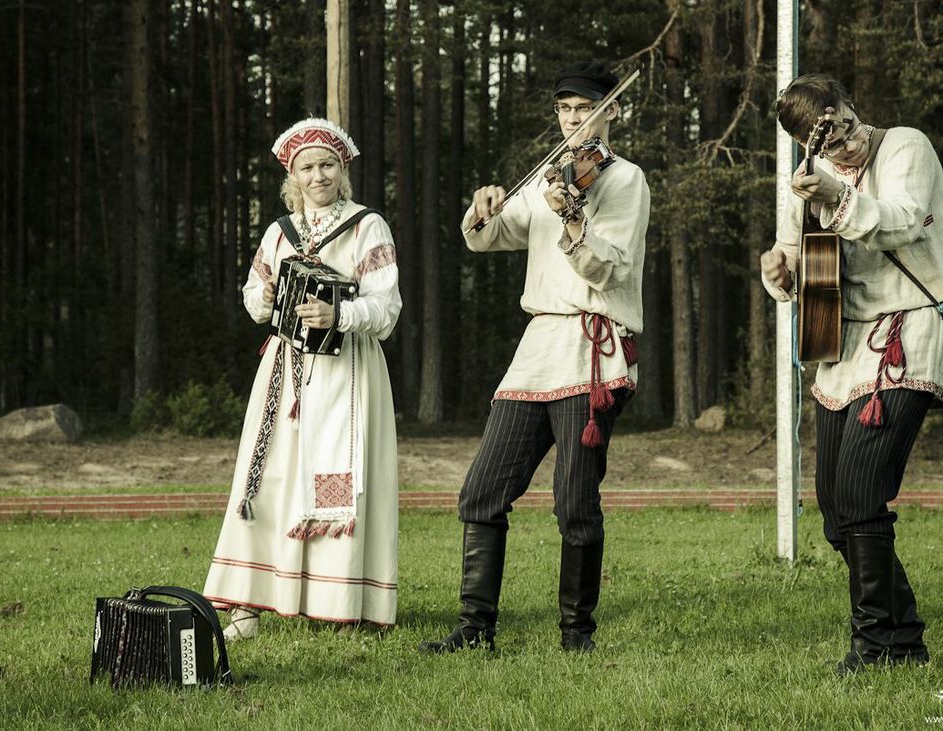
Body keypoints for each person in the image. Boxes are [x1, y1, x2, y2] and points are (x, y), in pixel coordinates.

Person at [420, 60, 649, 654]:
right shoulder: (548, 178)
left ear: (612, 111)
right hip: (538, 347)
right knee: (481, 491)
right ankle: (476, 629)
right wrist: (485, 208)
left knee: (575, 500)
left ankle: (577, 634)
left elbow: (606, 267)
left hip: (592, 349)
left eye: (585, 110)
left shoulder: (625, 181)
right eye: (566, 111)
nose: (574, 121)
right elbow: (492, 235)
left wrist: (573, 216)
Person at [761, 74, 943, 674]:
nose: (844, 143)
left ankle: (874, 644)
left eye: (844, 124)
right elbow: (794, 254)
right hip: (839, 344)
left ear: (848, 106)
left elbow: (901, 220)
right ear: (807, 143)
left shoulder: (905, 145)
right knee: (833, 510)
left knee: (861, 495)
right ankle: (905, 637)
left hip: (909, 329)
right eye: (828, 140)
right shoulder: (801, 181)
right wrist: (780, 270)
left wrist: (832, 191)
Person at [203, 117, 402, 638]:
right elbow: (253, 293)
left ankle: (341, 603)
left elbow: (387, 308)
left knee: (340, 481)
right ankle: (247, 602)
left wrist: (339, 316)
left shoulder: (366, 226)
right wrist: (263, 301)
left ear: (343, 170)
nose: (319, 176)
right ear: (292, 177)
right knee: (267, 477)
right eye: (308, 168)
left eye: (328, 165)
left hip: (347, 374)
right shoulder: (278, 232)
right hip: (284, 374)